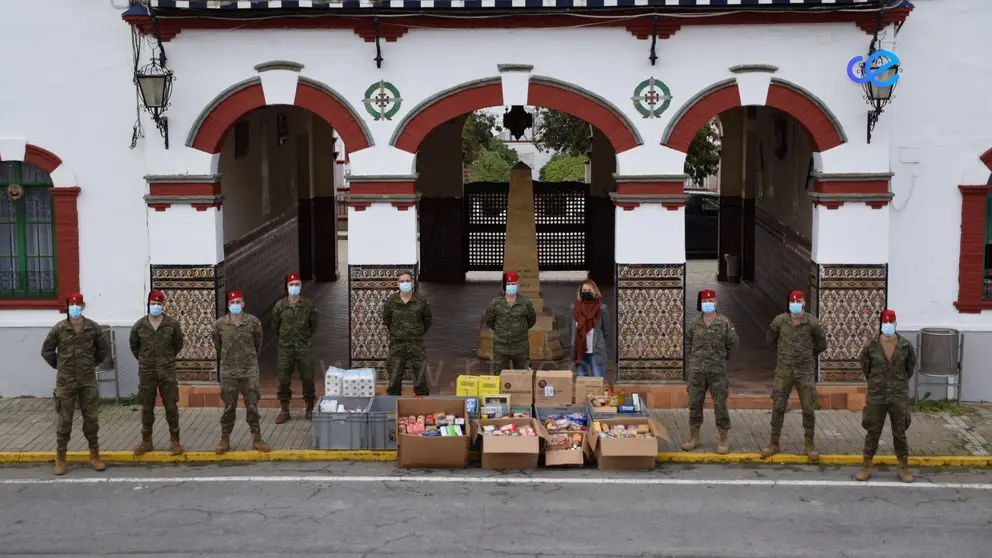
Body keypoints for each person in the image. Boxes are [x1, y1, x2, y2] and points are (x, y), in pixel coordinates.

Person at [41, 292, 111, 476]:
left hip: (87, 380)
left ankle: (95, 456)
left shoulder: (92, 328)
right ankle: (60, 458)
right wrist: (59, 365)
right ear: (67, 306)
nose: (74, 308)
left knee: (91, 419)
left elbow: (103, 350)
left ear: (83, 306)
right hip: (66, 380)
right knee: (65, 420)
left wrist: (90, 363)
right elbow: (47, 349)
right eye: (71, 305)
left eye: (77, 304)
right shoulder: (60, 328)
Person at [761, 290, 828, 461]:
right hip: (784, 369)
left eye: (799, 301)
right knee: (778, 407)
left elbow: (821, 345)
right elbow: (771, 339)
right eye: (793, 302)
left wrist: (806, 354)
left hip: (805, 370)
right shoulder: (780, 321)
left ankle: (809, 445)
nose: (796, 304)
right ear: (789, 304)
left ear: (804, 303)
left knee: (808, 408)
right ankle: (774, 443)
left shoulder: (813, 323)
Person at [856, 309, 916, 483]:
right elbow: (865, 366)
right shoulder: (871, 345)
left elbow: (910, 367)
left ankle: (903, 467)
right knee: (873, 431)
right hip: (877, 395)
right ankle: (866, 466)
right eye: (885, 323)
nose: (888, 326)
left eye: (891, 323)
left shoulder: (905, 345)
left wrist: (898, 382)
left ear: (896, 324)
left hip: (898, 395)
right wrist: (876, 382)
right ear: (881, 324)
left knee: (900, 432)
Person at [211, 291, 271, 454]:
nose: (235, 305)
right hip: (229, 372)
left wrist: (249, 359)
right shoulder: (220, 324)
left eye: (238, 302)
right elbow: (218, 344)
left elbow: (258, 343)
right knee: (229, 407)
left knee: (252, 406)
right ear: (228, 305)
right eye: (232, 302)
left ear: (243, 304)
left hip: (249, 371)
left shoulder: (252, 322)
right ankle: (225, 440)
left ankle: (257, 439)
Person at [683, 289, 740, 454]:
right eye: (705, 301)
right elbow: (688, 342)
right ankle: (694, 438)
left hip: (717, 371)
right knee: (694, 404)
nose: (708, 304)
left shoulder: (724, 323)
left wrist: (720, 359)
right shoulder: (694, 323)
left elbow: (732, 344)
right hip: (697, 371)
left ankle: (723, 439)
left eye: (711, 301)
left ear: (716, 302)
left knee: (720, 405)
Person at [129, 290, 186, 456]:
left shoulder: (171, 324)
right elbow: (134, 346)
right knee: (147, 407)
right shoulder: (140, 325)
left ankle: (175, 440)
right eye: (153, 304)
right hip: (147, 371)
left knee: (171, 406)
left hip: (167, 370)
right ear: (148, 305)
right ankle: (146, 441)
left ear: (164, 305)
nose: (155, 306)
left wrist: (166, 358)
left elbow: (178, 344)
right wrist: (145, 359)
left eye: (158, 304)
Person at [272, 272, 319, 423]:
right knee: (284, 379)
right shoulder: (279, 306)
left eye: (297, 284)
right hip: (286, 349)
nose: (294, 287)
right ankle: (285, 410)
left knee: (308, 378)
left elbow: (313, 326)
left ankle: (310, 408)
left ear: (301, 286)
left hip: (304, 348)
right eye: (291, 285)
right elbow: (275, 326)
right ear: (286, 287)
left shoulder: (308, 305)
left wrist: (303, 339)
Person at [383, 271, 433, 396]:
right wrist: (398, 333)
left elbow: (427, 321)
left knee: (420, 379)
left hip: (416, 345)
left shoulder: (421, 301)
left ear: (412, 282)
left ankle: (422, 407)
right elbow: (387, 320)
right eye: (402, 281)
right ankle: (393, 406)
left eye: (407, 281)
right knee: (394, 379)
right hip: (397, 346)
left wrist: (416, 333)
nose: (405, 283)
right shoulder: (391, 301)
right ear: (397, 284)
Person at [484, 270, 537, 374]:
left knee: (523, 377)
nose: (511, 286)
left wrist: (519, 330)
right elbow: (489, 320)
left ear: (518, 285)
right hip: (501, 347)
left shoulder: (525, 303)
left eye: (513, 284)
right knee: (500, 377)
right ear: (504, 286)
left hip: (520, 347)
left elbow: (531, 320)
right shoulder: (495, 303)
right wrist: (501, 331)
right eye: (508, 284)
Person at [570, 279, 610, 378]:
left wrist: (600, 343)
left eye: (589, 290)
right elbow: (572, 329)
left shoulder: (602, 309)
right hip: (580, 351)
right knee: (582, 383)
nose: (586, 292)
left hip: (596, 350)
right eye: (584, 290)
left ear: (595, 291)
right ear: (580, 292)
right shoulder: (573, 308)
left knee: (598, 381)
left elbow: (606, 330)